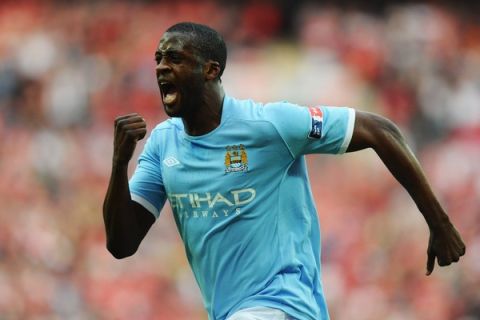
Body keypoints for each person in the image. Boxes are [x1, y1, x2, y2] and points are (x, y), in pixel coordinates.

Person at [103, 22, 466, 320]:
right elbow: (122, 244)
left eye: (175, 58)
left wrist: (439, 223)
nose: (161, 67)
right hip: (230, 312)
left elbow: (380, 130)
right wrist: (119, 165)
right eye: (158, 59)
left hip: (284, 305)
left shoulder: (270, 124)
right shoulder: (163, 144)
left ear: (211, 69)